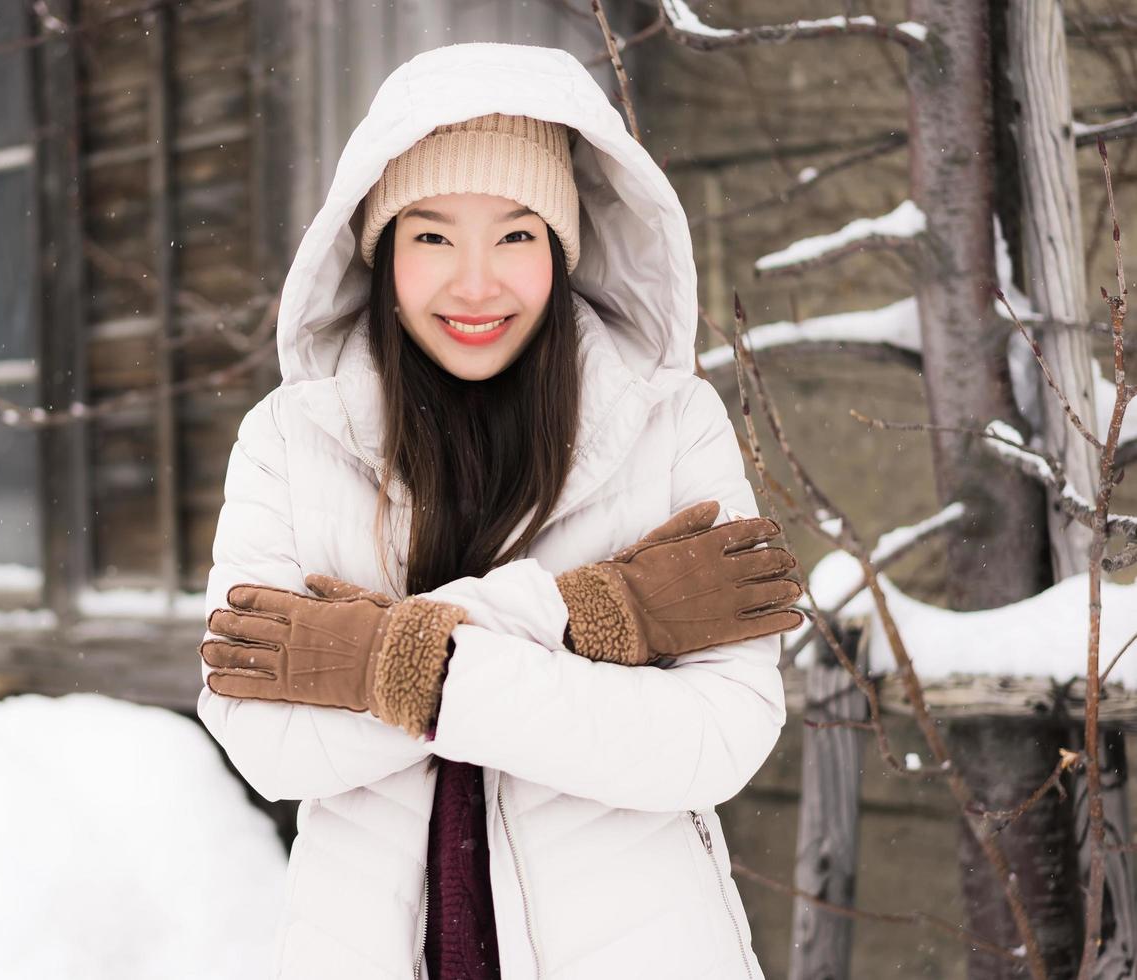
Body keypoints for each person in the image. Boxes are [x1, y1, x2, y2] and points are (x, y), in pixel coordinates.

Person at [196, 41, 804, 980]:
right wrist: (600, 617)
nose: (475, 284)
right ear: (379, 248)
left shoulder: (670, 421)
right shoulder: (288, 439)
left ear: (560, 249)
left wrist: (381, 666)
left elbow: (719, 735)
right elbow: (263, 738)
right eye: (432, 236)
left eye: (516, 235)